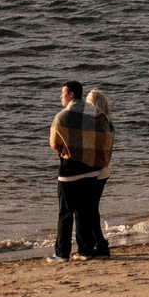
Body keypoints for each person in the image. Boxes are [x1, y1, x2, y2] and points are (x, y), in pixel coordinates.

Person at [48, 80, 115, 262]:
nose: (60, 97)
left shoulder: (62, 116)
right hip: (92, 171)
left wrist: (66, 151)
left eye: (62, 94)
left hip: (69, 172)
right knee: (84, 212)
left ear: (70, 95)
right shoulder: (97, 113)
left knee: (66, 213)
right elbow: (107, 134)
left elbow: (54, 143)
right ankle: (85, 250)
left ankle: (62, 253)